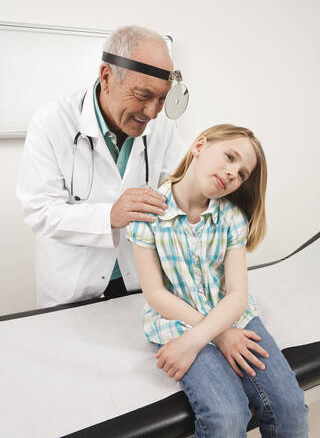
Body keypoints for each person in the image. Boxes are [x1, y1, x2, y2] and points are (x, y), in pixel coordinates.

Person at [127, 124, 309, 437]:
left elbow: (237, 296)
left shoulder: (231, 219)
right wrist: (216, 335)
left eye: (242, 174)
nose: (232, 173)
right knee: (226, 417)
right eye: (229, 157)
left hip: (233, 316)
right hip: (177, 321)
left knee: (290, 407)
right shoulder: (148, 212)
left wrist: (214, 333)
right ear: (199, 146)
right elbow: (156, 294)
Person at [17, 25, 183, 307]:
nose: (153, 112)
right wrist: (109, 216)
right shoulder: (51, 122)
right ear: (107, 77)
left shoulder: (162, 127)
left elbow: (174, 192)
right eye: (143, 96)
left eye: (162, 98)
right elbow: (39, 211)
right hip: (73, 285)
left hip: (139, 279)